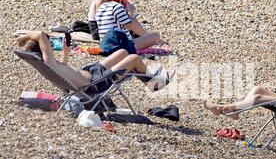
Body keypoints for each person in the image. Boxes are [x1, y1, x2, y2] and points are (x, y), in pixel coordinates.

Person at [16, 31, 174, 92]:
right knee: (133, 58)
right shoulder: (48, 61)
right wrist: (25, 37)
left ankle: (144, 74)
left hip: (92, 72)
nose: (50, 47)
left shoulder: (49, 64)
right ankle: (154, 84)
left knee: (123, 52)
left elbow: (62, 66)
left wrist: (65, 51)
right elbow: (41, 34)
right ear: (42, 50)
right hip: (94, 83)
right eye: (48, 46)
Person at [88, 0, 160, 48]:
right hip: (103, 32)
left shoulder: (110, 2)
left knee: (129, 21)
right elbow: (128, 25)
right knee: (154, 35)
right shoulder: (102, 0)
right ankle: (145, 35)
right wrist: (130, 14)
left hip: (107, 36)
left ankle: (145, 35)